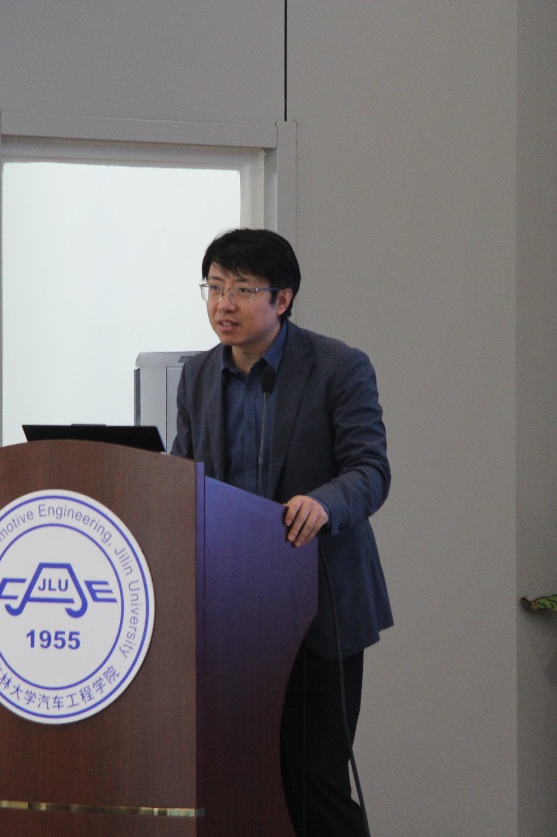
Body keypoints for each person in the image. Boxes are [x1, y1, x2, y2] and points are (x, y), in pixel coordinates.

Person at [171, 228, 393, 836]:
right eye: (215, 287)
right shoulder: (197, 376)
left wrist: (323, 504)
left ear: (283, 299)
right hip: (233, 613)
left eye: (243, 290)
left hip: (320, 605)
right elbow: (185, 472)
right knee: (244, 781)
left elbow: (370, 471)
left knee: (313, 780)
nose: (224, 304)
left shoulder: (339, 367)